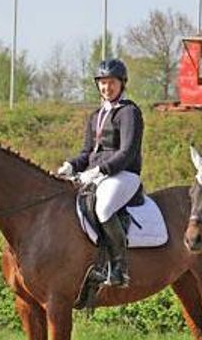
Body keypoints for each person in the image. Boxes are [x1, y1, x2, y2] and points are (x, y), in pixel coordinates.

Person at [57, 58, 143, 287]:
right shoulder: (96, 116)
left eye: (111, 82)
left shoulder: (129, 112)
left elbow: (127, 152)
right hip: (98, 175)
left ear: (122, 84)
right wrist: (71, 166)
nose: (107, 87)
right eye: (103, 83)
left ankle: (119, 267)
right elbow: (87, 152)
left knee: (103, 208)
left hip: (124, 175)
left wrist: (98, 171)